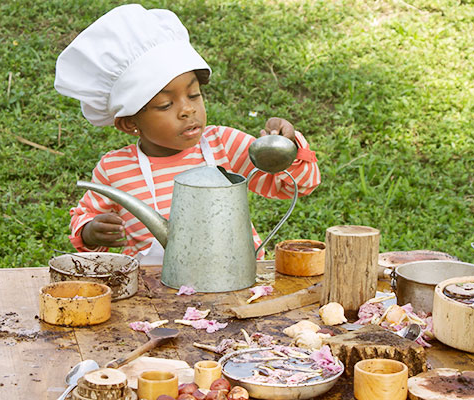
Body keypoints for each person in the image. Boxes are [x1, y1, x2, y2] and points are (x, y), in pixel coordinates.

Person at [54, 4, 321, 265]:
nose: (188, 109)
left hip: (235, 279)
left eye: (194, 95)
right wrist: (90, 232)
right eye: (165, 105)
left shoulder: (223, 145)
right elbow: (86, 217)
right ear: (129, 123)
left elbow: (298, 184)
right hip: (153, 291)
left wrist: (285, 149)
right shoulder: (115, 170)